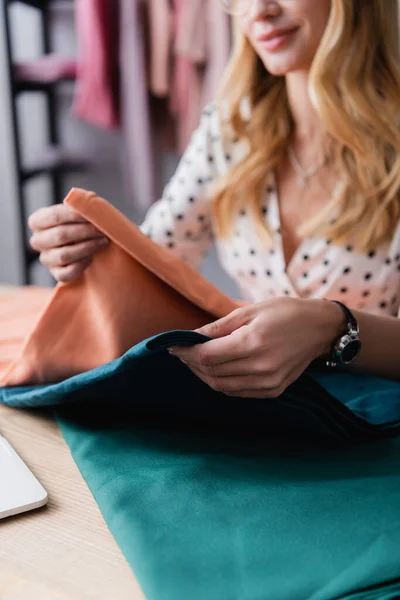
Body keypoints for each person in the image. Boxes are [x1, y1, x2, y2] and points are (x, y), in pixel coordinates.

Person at [28, 0, 400, 399]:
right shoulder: (228, 131)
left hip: (377, 421)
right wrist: (86, 248)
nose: (259, 11)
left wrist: (333, 327)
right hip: (256, 418)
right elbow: (154, 264)